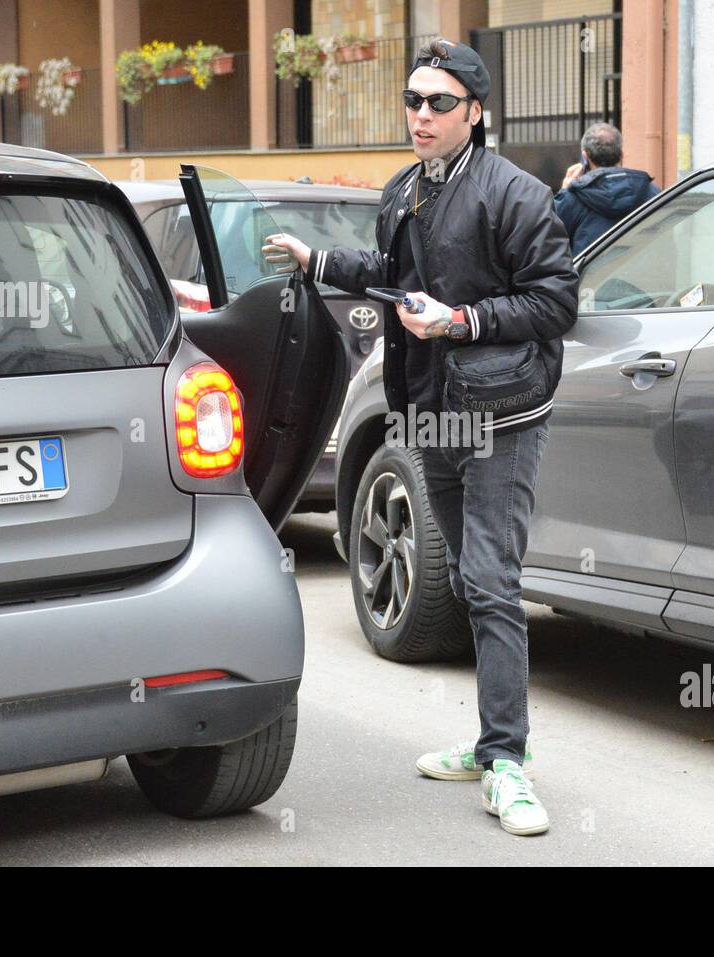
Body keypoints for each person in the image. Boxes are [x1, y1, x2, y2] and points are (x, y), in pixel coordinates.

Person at [263, 37, 578, 837]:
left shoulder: (516, 194)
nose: (421, 115)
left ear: (475, 112)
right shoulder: (406, 188)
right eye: (412, 100)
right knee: (467, 580)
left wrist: (463, 319)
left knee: (491, 577)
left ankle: (508, 759)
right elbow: (393, 270)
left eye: (439, 102)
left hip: (502, 414)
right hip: (433, 409)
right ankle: (488, 741)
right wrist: (321, 260)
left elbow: (556, 300)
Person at [554, 122, 659, 256]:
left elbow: (550, 239)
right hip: (641, 275)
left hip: (590, 277)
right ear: (622, 155)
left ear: (585, 157)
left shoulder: (572, 198)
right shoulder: (652, 193)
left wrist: (564, 192)